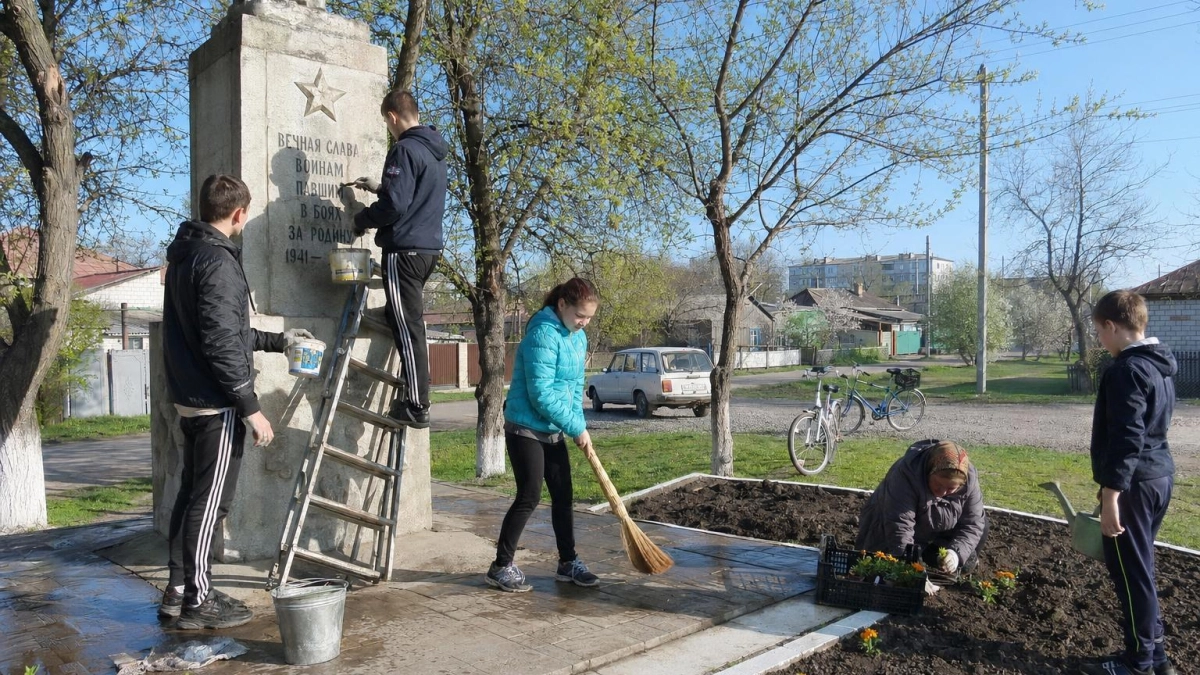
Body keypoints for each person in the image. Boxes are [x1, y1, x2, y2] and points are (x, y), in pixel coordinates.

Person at [160, 174, 314, 629]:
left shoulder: (187, 255)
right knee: (210, 505)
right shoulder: (218, 261)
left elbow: (226, 330)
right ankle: (198, 600)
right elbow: (223, 343)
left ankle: (178, 590)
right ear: (239, 213)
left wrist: (277, 340)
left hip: (190, 396)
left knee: (192, 496)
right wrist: (251, 408)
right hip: (215, 402)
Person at [1079, 291, 1177, 675]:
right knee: (1141, 569)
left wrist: (1111, 496)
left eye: (1099, 333)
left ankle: (1138, 663)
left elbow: (1126, 436)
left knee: (1131, 575)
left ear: (1112, 326)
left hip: (1134, 486)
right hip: (1159, 477)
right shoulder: (1159, 365)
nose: (1100, 341)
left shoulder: (1126, 370)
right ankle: (1158, 658)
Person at [486, 278, 601, 592]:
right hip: (525, 426)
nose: (584, 322)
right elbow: (541, 394)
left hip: (552, 427)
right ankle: (501, 566)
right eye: (580, 315)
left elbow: (575, 388)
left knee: (563, 494)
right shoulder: (542, 334)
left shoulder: (578, 338)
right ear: (562, 304)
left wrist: (579, 424)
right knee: (530, 495)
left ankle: (568, 562)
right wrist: (575, 428)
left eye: (589, 317)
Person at [348, 89, 448, 429]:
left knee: (408, 327)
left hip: (404, 251)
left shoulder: (403, 149)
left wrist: (362, 219)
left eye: (386, 124)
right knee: (402, 318)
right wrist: (381, 188)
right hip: (427, 250)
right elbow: (412, 196)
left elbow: (396, 207)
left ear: (392, 117)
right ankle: (413, 393)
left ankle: (417, 404)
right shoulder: (434, 150)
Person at [855, 439, 987, 580]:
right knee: (879, 569)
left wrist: (955, 554)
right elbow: (900, 525)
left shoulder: (970, 480)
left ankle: (931, 554)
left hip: (934, 527)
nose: (943, 492)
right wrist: (913, 572)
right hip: (886, 525)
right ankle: (919, 555)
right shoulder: (906, 474)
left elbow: (973, 523)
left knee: (981, 529)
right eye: (938, 485)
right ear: (930, 471)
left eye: (951, 488)